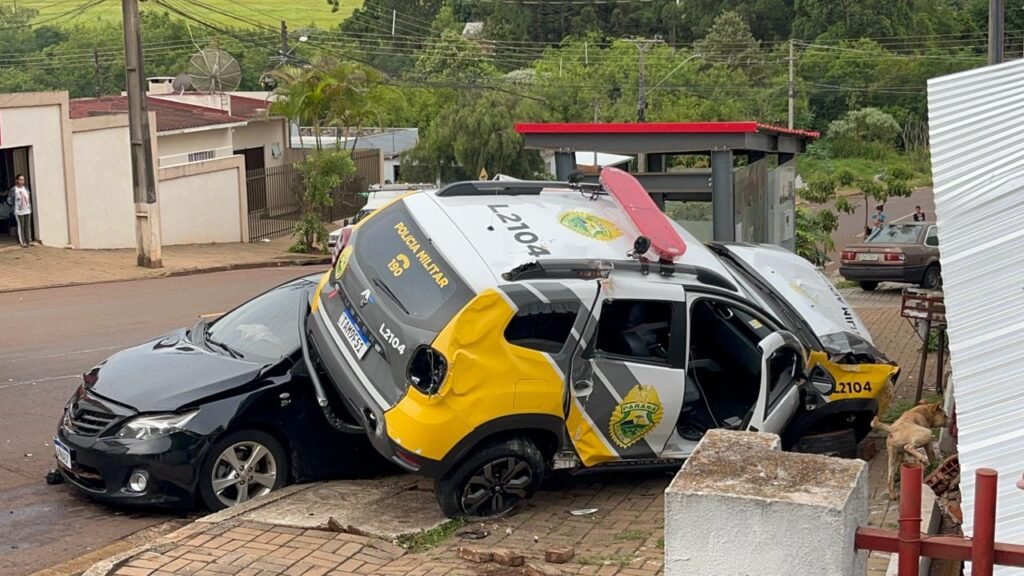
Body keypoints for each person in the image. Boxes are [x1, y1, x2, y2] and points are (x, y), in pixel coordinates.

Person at [12, 174, 32, 247]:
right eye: (20, 179)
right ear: (17, 180)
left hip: (27, 209)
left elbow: (28, 198)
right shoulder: (14, 189)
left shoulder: (25, 189)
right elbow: (10, 199)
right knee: (21, 226)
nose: (21, 181)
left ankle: (28, 241)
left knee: (27, 226)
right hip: (19, 211)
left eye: (23, 180)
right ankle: (22, 242)